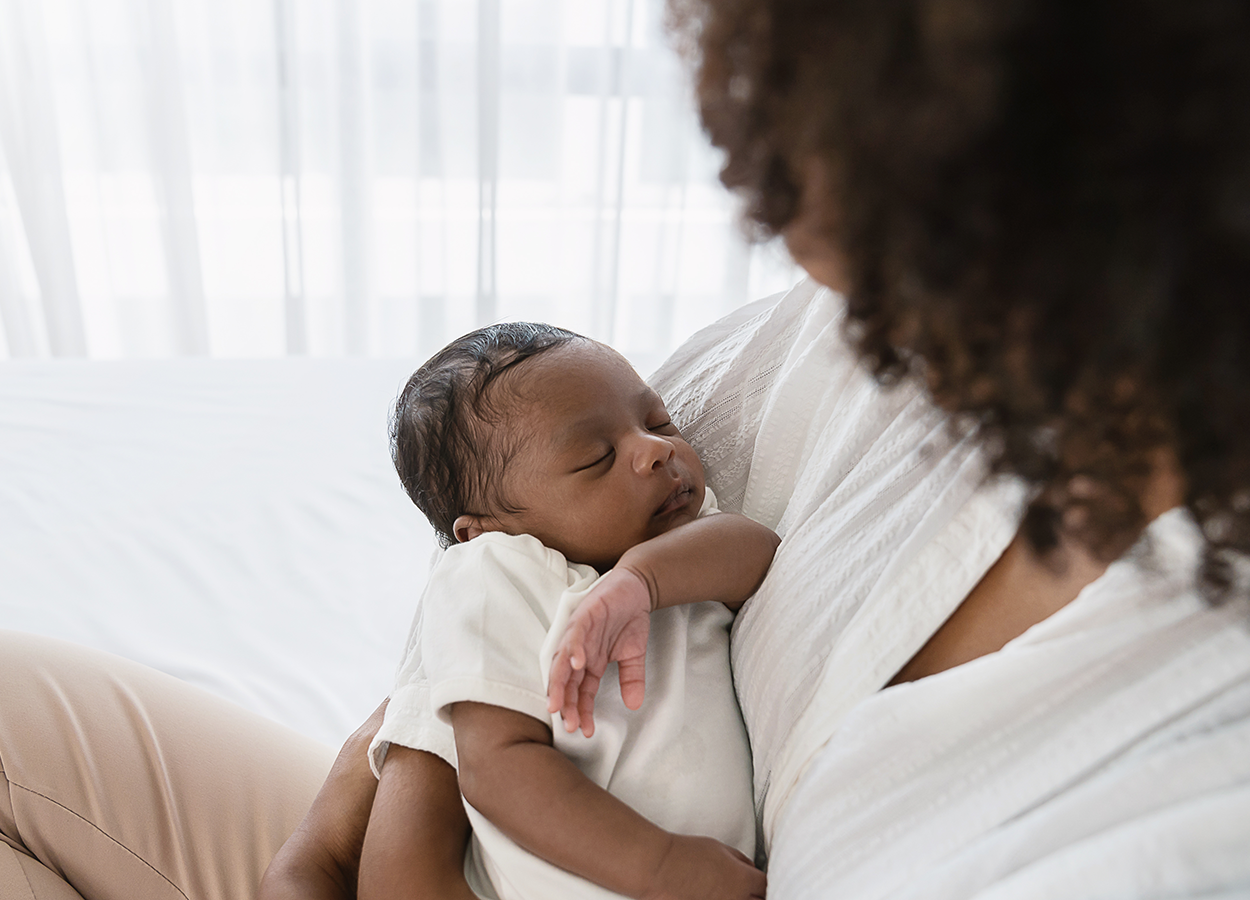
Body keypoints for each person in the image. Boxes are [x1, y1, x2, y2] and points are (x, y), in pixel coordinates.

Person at [2, 0, 1248, 897]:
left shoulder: (1170, 802)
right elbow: (535, 607)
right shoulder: (864, 337)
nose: (841, 309)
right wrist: (403, 764)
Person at [364, 322, 774, 900]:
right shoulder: (497, 573)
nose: (655, 450)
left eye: (657, 422)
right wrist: (660, 867)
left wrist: (639, 582)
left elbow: (757, 551)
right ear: (486, 531)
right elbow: (498, 768)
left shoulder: (678, 549)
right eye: (596, 458)